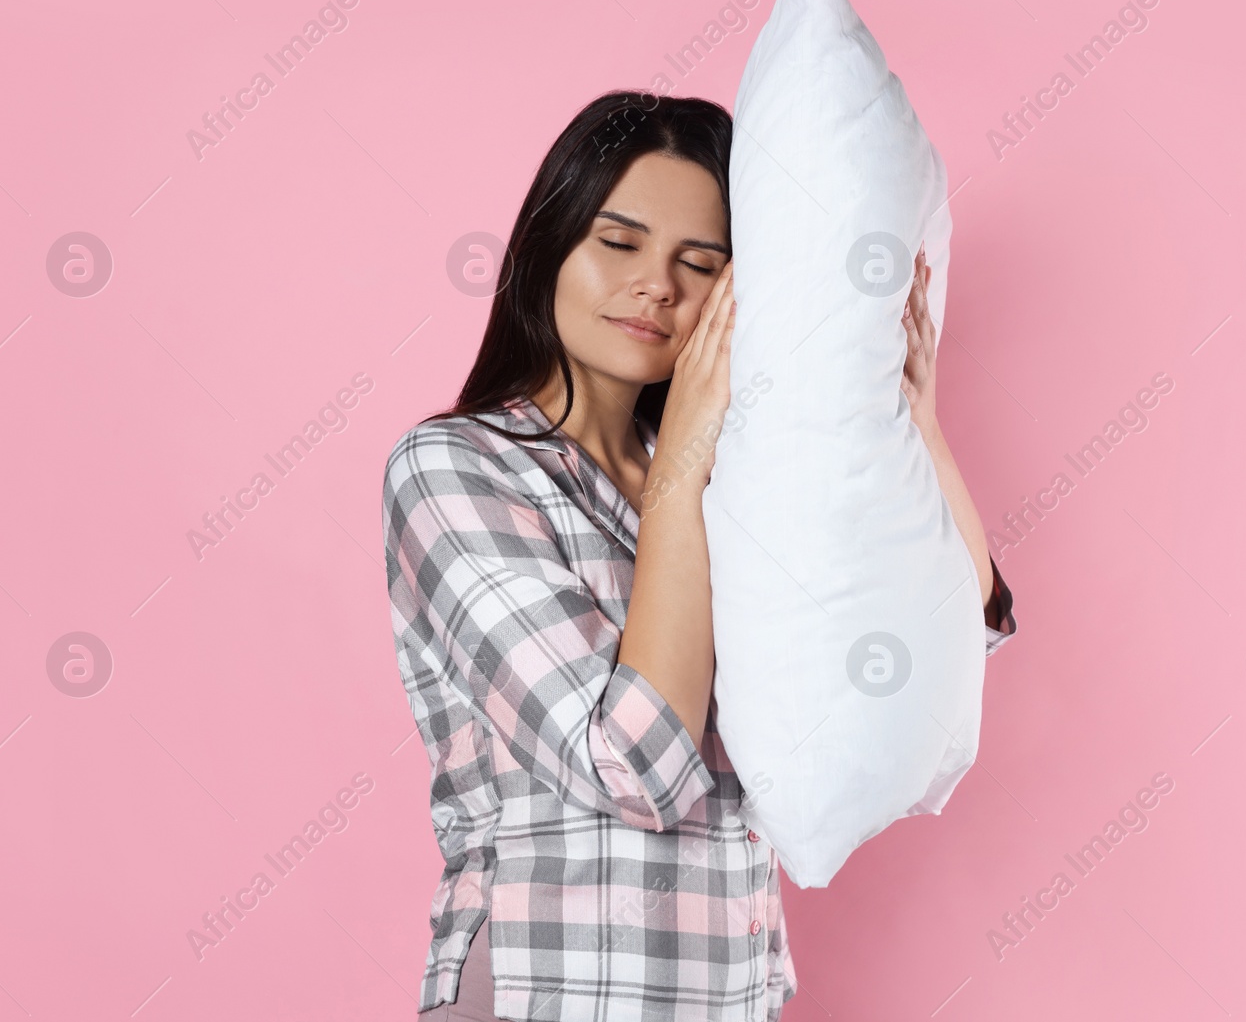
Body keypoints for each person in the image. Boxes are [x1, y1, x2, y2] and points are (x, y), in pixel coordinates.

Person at [382, 90, 1016, 1022]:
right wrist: (679, 467)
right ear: (549, 241)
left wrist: (916, 426)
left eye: (701, 263)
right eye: (619, 241)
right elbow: (637, 765)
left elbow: (944, 637)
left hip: (723, 991)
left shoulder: (734, 480)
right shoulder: (455, 468)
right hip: (547, 985)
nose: (657, 287)